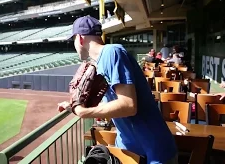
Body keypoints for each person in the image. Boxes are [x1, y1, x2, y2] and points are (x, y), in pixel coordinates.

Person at [58, 15, 178, 164]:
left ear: (81, 39)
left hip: (155, 151)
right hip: (131, 149)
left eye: (74, 39)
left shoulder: (112, 52)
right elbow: (115, 103)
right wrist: (74, 107)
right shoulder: (101, 62)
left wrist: (83, 112)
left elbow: (128, 106)